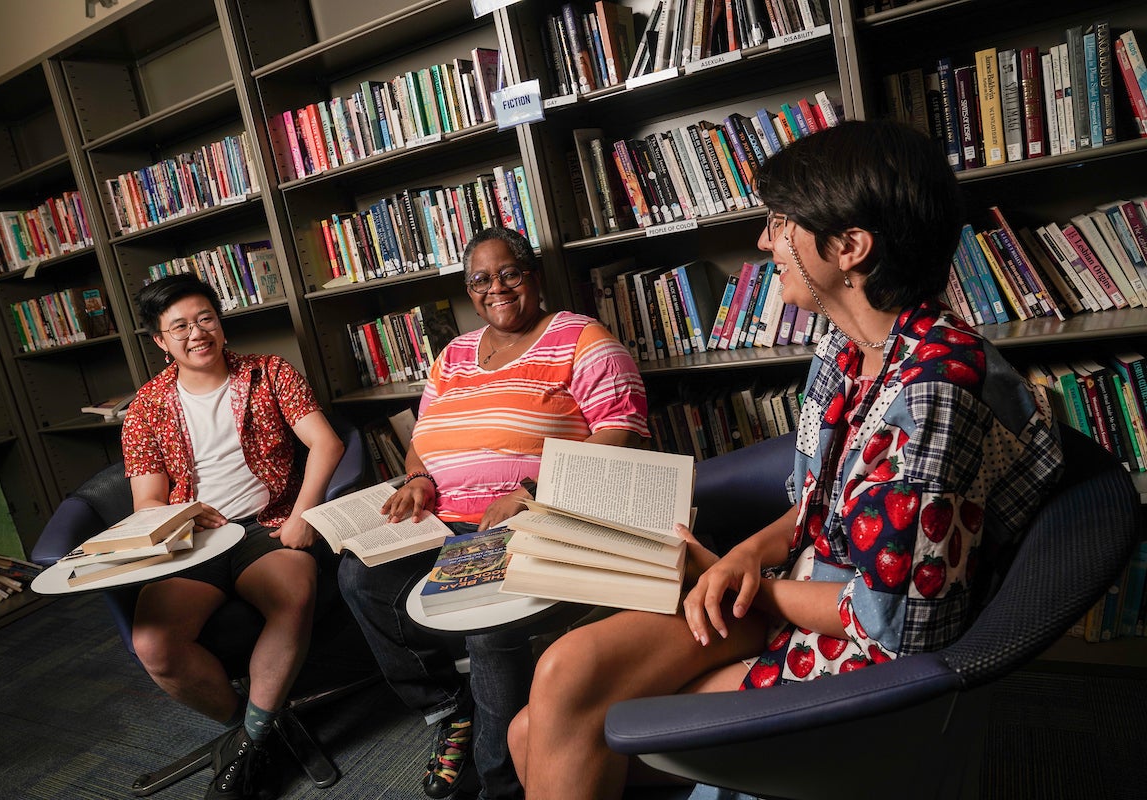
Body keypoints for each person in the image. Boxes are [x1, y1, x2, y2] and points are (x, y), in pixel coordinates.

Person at [508, 119, 1065, 799]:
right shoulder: (846, 346)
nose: (765, 240)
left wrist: (755, 587)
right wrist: (747, 554)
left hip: (863, 653)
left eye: (780, 221)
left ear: (850, 247)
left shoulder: (933, 398)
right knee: (562, 680)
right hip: (798, 586)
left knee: (549, 729)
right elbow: (823, 499)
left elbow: (897, 625)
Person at [338, 226, 648, 800]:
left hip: (531, 516)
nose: (496, 287)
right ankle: (446, 709)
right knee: (360, 579)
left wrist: (533, 487)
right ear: (468, 289)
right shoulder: (453, 354)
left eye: (509, 273)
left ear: (532, 275)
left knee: (483, 618)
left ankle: (499, 778)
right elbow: (423, 436)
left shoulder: (583, 337)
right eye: (481, 279)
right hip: (443, 518)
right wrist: (417, 478)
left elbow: (621, 433)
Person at [122, 273, 345, 800]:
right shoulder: (147, 407)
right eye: (180, 327)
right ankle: (255, 731)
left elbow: (326, 444)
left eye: (205, 318)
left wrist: (304, 514)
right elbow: (146, 503)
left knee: (292, 597)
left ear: (219, 322)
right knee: (153, 645)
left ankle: (250, 741)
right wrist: (183, 515)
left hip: (267, 525)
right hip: (196, 538)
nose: (197, 333)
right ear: (160, 341)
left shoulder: (270, 373)